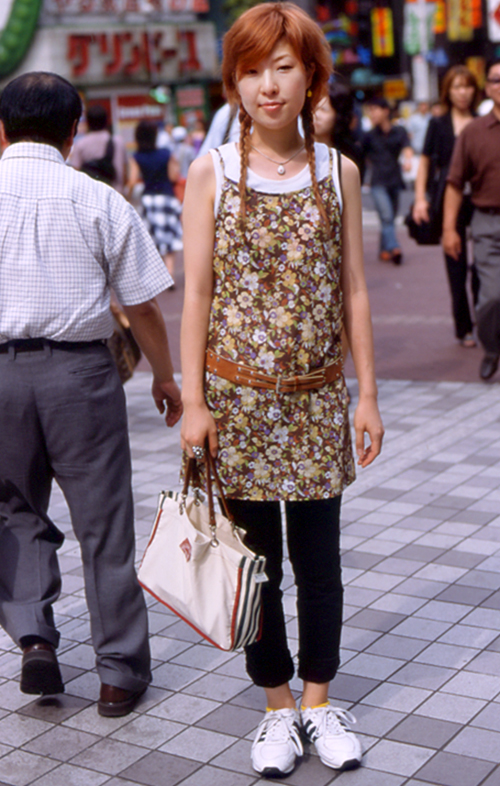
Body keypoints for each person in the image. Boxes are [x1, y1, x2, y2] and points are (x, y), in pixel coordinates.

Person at [180, 3, 384, 778]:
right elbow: (196, 292)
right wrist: (194, 402)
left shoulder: (340, 172)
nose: (270, 85)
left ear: (311, 77)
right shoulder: (212, 172)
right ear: (233, 82)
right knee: (255, 563)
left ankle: (320, 700)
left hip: (316, 398)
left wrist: (368, 396)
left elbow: (356, 291)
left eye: (286, 67)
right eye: (253, 69)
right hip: (235, 405)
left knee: (321, 561)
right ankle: (274, 707)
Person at [0, 72, 183, 716]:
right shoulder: (98, 199)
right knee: (103, 524)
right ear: (74, 130)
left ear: (1, 128)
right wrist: (165, 375)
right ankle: (118, 674)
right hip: (82, 374)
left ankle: (34, 641)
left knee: (13, 511)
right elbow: (145, 305)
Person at [413, 66, 480, 348]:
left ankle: (484, 312)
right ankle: (463, 328)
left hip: (480, 200)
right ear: (447, 91)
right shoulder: (438, 124)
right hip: (448, 200)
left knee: (485, 265)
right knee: (456, 265)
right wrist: (420, 199)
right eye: (456, 87)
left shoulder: (482, 122)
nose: (462, 93)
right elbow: (425, 162)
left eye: (467, 87)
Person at [443, 58, 500, 380]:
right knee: (491, 296)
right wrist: (450, 229)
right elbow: (453, 183)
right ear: (488, 88)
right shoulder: (473, 132)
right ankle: (492, 348)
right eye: (495, 80)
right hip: (487, 222)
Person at [127, 119, 183, 286]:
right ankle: (171, 272)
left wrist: (128, 196)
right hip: (167, 197)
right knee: (169, 237)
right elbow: (174, 176)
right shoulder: (166, 153)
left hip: (149, 199)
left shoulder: (136, 157)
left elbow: (132, 180)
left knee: (153, 238)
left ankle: (160, 275)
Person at [362, 97, 413, 265]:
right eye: (370, 111)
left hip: (395, 180)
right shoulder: (368, 136)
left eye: (375, 109)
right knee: (387, 216)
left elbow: (407, 148)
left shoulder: (399, 131)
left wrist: (408, 161)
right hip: (377, 182)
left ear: (385, 111)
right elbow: (360, 155)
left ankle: (383, 250)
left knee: (388, 219)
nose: (372, 114)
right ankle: (394, 247)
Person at [69, 103, 128, 193]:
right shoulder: (118, 142)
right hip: (116, 195)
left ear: (88, 122)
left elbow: (75, 173)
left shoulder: (81, 144)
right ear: (106, 121)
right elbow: (124, 174)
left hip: (91, 198)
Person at [313, 83, 365, 180]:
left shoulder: (350, 155)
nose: (316, 115)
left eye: (323, 110)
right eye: (313, 109)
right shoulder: (298, 152)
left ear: (339, 115)